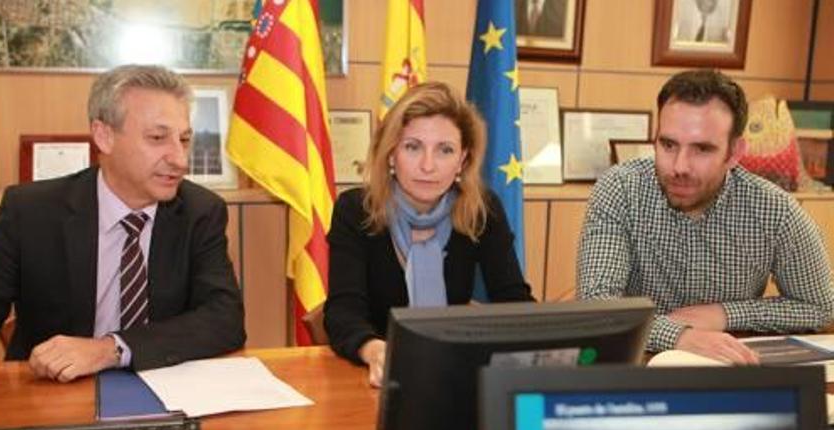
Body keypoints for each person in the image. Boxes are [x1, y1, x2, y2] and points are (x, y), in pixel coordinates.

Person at [0, 65, 246, 410]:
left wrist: (110, 349)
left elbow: (224, 318)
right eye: (157, 138)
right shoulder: (32, 212)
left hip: (166, 395)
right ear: (104, 136)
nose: (180, 160)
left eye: (184, 139)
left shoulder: (200, 211)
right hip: (50, 400)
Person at [577, 69, 834, 364]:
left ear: (735, 152)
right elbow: (597, 307)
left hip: (725, 371)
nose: (679, 166)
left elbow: (821, 306)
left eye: (702, 149)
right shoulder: (620, 188)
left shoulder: (775, 210)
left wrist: (725, 314)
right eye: (668, 145)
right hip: (633, 369)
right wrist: (679, 336)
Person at [324, 82, 533, 387]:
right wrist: (373, 350)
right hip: (376, 380)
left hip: (456, 375)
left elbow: (514, 302)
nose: (428, 165)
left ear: (463, 160)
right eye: (413, 147)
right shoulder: (357, 209)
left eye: (445, 150)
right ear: (391, 154)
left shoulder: (481, 210)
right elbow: (343, 312)